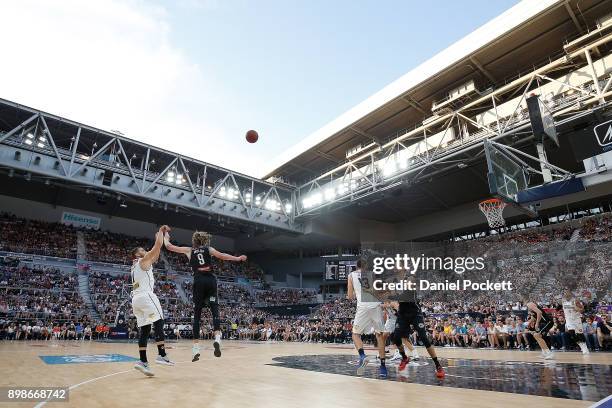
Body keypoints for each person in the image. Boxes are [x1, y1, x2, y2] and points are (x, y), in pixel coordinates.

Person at [164, 230, 247, 362]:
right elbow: (223, 256)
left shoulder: (189, 250)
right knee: (215, 310)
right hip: (210, 281)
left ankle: (196, 348)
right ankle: (218, 340)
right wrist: (237, 258)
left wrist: (166, 237)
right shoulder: (209, 249)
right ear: (205, 241)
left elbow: (169, 247)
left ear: (194, 241)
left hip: (198, 281)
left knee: (197, 314)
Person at [131, 225, 175, 377]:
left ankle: (142, 361)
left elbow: (156, 254)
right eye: (142, 250)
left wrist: (163, 238)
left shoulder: (137, 266)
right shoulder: (142, 261)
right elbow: (156, 247)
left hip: (136, 301)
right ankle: (162, 355)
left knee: (145, 330)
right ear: (137, 254)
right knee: (159, 321)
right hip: (146, 296)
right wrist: (161, 233)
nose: (144, 251)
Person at [386, 291, 446, 379]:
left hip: (415, 314)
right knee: (396, 337)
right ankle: (404, 358)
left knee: (424, 339)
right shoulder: (395, 285)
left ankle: (438, 365)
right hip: (403, 315)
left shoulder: (410, 284)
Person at [346, 259, 387, 378]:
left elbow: (349, 296)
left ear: (356, 266)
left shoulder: (351, 275)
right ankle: (383, 367)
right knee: (379, 336)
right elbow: (379, 291)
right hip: (375, 305)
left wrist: (353, 293)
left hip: (363, 307)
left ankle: (363, 356)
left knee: (355, 334)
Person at [561, 290, 589, 354]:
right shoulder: (563, 301)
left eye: (566, 292)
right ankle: (582, 346)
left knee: (580, 334)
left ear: (570, 293)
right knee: (572, 333)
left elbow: (582, 310)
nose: (565, 293)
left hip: (576, 319)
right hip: (569, 320)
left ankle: (585, 346)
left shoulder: (575, 300)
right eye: (564, 292)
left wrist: (577, 308)